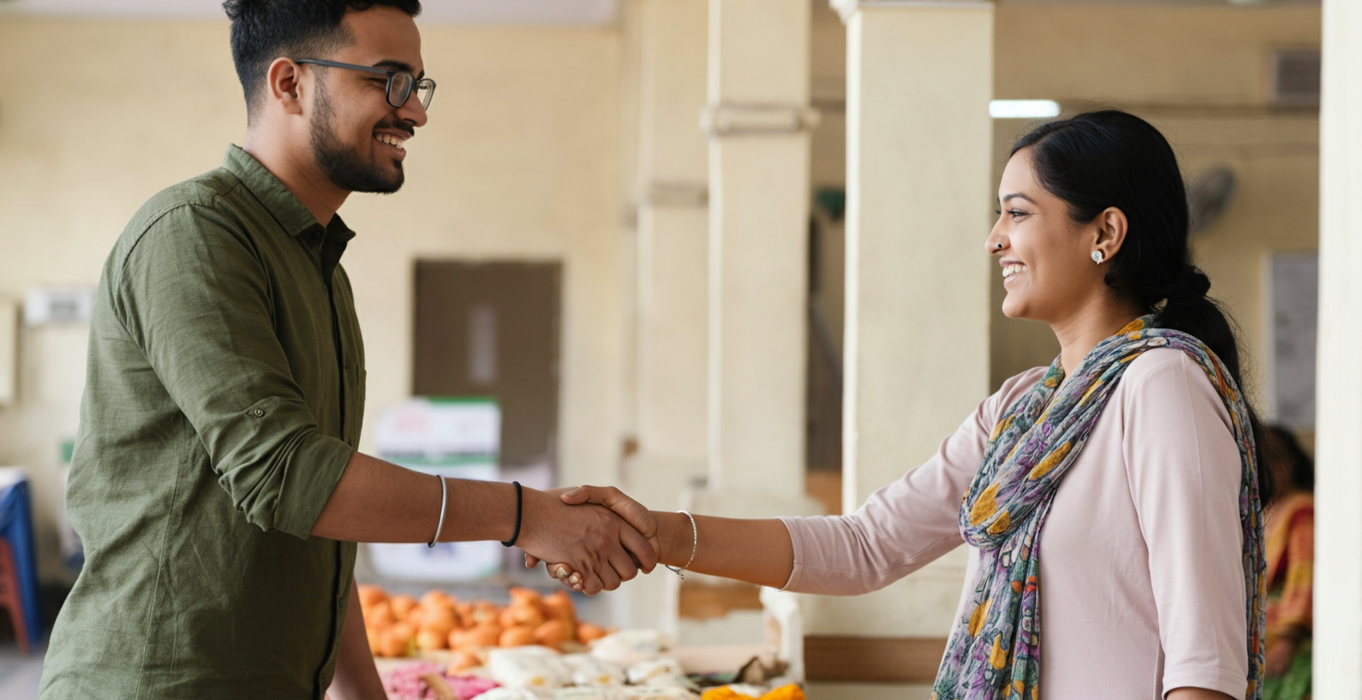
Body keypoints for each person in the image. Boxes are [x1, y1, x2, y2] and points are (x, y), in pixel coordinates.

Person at [535, 111, 1270, 700]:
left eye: (1017, 213)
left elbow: (1204, 660)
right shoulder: (1021, 410)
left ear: (1105, 233)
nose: (994, 241)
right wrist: (659, 533)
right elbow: (866, 547)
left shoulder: (1163, 386)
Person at [38, 2, 653, 699]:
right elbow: (287, 477)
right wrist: (526, 516)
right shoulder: (193, 236)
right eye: (389, 81)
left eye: (417, 86)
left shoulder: (320, 270)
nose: (415, 113)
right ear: (290, 84)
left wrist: (363, 692)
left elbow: (320, 521)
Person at [1261, 425, 1313, 700]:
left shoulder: (1302, 508)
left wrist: (1287, 639)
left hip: (1292, 649)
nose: (1270, 466)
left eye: (1276, 457)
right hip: (1263, 645)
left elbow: (1303, 577)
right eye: (1262, 458)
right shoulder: (1264, 510)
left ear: (1292, 461)